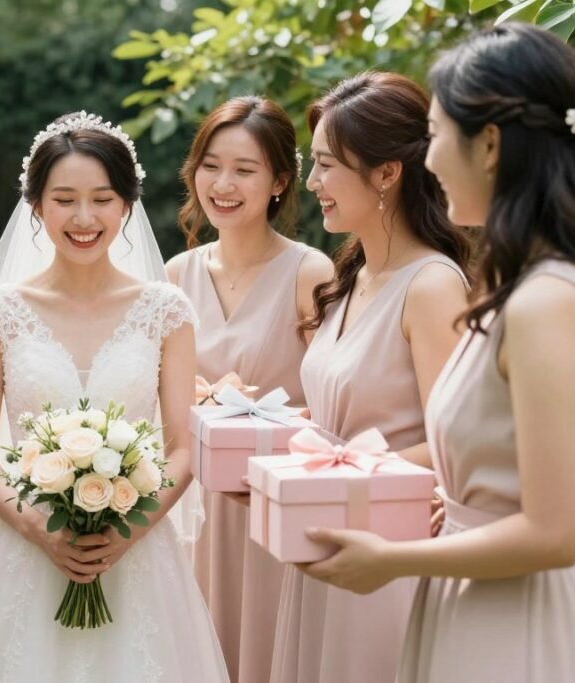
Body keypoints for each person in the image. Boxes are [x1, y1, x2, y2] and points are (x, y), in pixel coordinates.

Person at [301, 24, 575, 683]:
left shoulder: (545, 302)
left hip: (511, 619)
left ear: (488, 145)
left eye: (437, 134)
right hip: (466, 598)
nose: (427, 161)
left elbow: (557, 530)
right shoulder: (513, 290)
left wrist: (393, 560)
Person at [0, 112, 228, 682]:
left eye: (102, 199)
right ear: (36, 206)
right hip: (24, 548)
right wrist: (41, 528)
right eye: (64, 199)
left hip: (137, 555)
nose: (84, 218)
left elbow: (184, 448)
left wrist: (126, 533)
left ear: (127, 205)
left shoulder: (166, 311)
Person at [270, 72, 470, 683]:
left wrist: (329, 473)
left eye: (327, 165)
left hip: (386, 554)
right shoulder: (352, 275)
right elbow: (344, 415)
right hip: (328, 534)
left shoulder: (432, 286)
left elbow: (451, 445)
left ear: (387, 173)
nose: (311, 184)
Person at [165, 96, 332, 681]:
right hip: (192, 507)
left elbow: (330, 408)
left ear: (281, 181)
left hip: (273, 503)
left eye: (245, 168)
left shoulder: (312, 274)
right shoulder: (174, 277)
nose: (223, 183)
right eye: (211, 165)